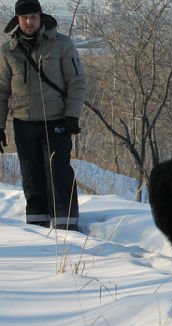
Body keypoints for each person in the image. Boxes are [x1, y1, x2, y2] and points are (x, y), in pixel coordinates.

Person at [0, 0, 86, 231]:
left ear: (41, 17)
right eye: (25, 17)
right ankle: (37, 229)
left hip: (57, 121)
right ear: (17, 19)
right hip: (24, 122)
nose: (29, 22)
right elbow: (1, 91)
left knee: (59, 172)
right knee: (31, 176)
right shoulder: (8, 51)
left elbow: (76, 82)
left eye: (34, 17)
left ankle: (66, 228)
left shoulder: (60, 44)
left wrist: (72, 116)